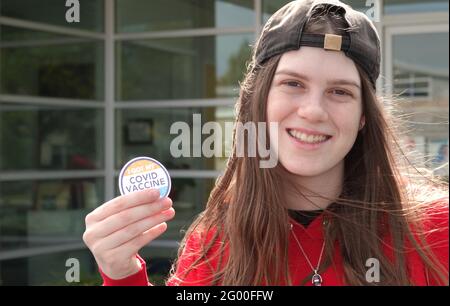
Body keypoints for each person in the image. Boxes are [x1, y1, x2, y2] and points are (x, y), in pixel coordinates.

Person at [83, 0, 448, 286]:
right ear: (258, 102)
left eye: (340, 92)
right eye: (293, 84)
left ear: (363, 117)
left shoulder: (436, 231)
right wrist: (122, 273)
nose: (313, 111)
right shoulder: (214, 246)